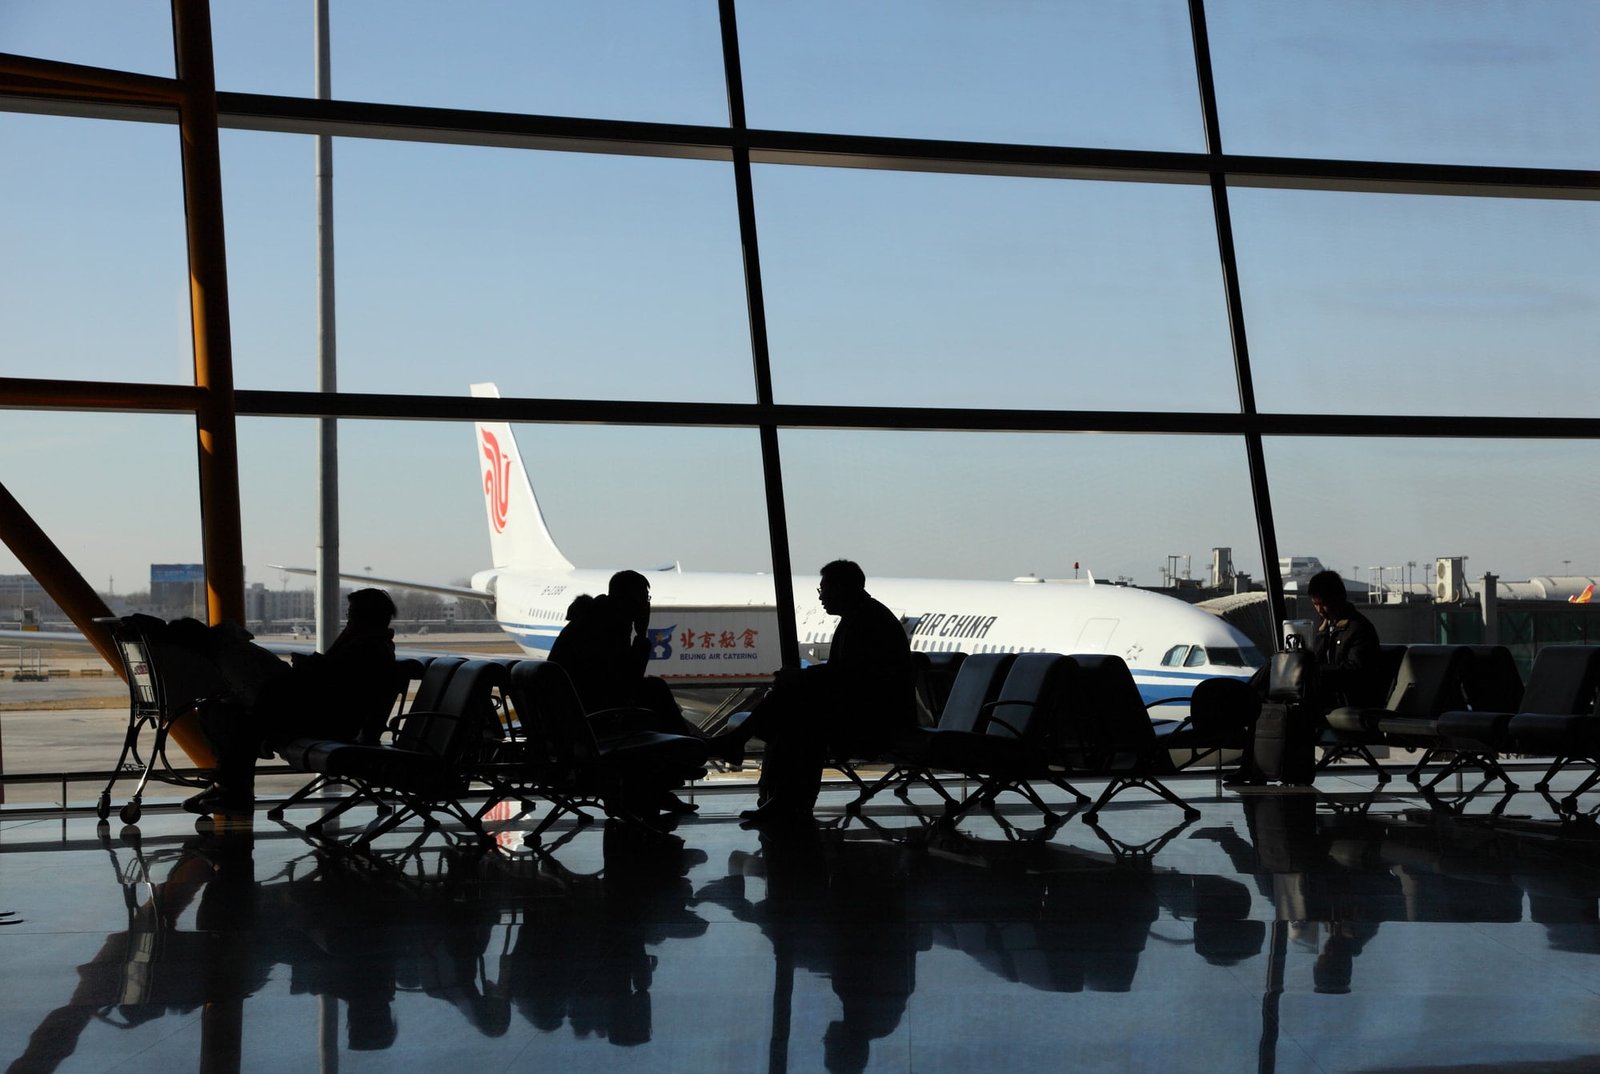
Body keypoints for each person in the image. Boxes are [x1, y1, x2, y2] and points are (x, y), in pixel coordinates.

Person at [708, 560, 915, 827]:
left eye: (823, 590)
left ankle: (767, 782)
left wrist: (800, 678)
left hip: (876, 723)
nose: (821, 598)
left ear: (841, 589)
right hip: (871, 713)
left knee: (794, 716)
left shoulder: (865, 622)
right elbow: (849, 676)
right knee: (792, 709)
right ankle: (780, 798)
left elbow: (848, 676)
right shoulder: (866, 617)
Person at [185, 588, 400, 817]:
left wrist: (309, 667)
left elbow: (332, 684)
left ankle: (231, 789)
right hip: (329, 717)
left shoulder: (367, 648)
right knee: (231, 713)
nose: (349, 619)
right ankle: (229, 788)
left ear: (367, 617)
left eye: (353, 614)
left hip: (331, 724)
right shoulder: (369, 644)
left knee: (240, 716)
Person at [548, 569, 703, 814]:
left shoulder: (595, 619)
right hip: (590, 721)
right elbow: (626, 682)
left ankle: (674, 769)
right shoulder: (607, 627)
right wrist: (642, 635)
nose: (645, 605)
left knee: (651, 693)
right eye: (643, 598)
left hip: (572, 717)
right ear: (626, 599)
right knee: (653, 693)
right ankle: (682, 759)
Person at [1305, 569, 1383, 711]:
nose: (1319, 610)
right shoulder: (1324, 626)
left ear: (1338, 599)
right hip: (1328, 696)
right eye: (1315, 604)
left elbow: (1355, 671)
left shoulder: (1358, 628)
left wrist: (1318, 672)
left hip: (1348, 699)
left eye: (1323, 603)